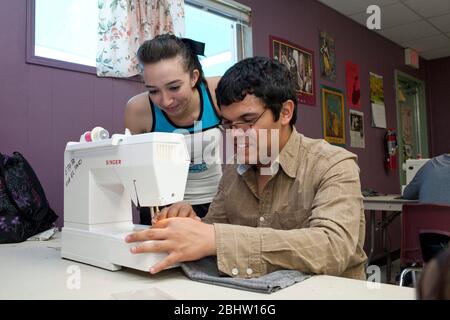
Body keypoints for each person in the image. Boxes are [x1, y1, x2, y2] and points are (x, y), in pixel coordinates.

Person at [125, 56, 367, 280]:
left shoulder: (334, 165)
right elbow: (211, 230)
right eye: (229, 124)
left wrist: (217, 240)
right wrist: (192, 222)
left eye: (248, 121)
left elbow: (333, 248)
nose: (237, 135)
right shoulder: (233, 173)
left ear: (285, 112)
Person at [124, 34, 223, 221]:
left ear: (194, 77)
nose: (166, 101)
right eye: (153, 91)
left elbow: (247, 146)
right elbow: (136, 176)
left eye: (174, 87)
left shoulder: (216, 92)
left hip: (214, 202)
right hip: (162, 207)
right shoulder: (137, 110)